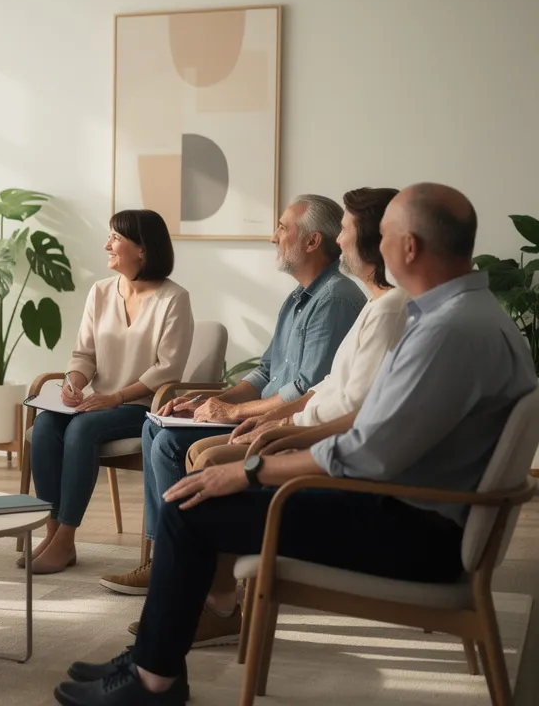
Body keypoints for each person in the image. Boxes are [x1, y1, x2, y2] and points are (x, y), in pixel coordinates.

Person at [55, 183, 537, 706]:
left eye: (382, 233)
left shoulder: (446, 331)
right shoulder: (464, 316)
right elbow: (373, 422)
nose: (366, 243)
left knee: (192, 506)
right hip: (417, 514)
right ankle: (151, 662)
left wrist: (251, 470)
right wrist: (282, 438)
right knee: (198, 497)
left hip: (414, 533)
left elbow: (369, 451)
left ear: (409, 246)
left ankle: (153, 680)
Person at [100, 195, 365, 602]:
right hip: (260, 413)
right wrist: (209, 401)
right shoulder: (299, 298)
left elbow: (304, 390)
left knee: (169, 443)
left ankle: (183, 563)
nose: (273, 237)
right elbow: (264, 373)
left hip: (281, 426)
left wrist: (233, 410)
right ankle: (167, 558)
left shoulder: (335, 299)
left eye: (283, 228)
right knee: (157, 432)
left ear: (312, 241)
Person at [186, 188, 409, 472]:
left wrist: (280, 423)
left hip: (328, 445)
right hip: (303, 425)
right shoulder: (369, 303)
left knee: (204, 456)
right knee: (193, 449)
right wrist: (229, 406)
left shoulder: (370, 306)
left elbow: (352, 404)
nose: (338, 241)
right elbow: (324, 384)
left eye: (344, 230)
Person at [26, 210, 193, 575]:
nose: (107, 245)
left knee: (82, 429)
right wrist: (73, 383)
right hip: (96, 403)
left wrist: (116, 397)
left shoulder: (174, 299)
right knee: (45, 426)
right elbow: (83, 354)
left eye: (115, 238)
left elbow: (168, 369)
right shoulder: (101, 292)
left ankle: (66, 537)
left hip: (143, 405)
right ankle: (52, 534)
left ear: (142, 249)